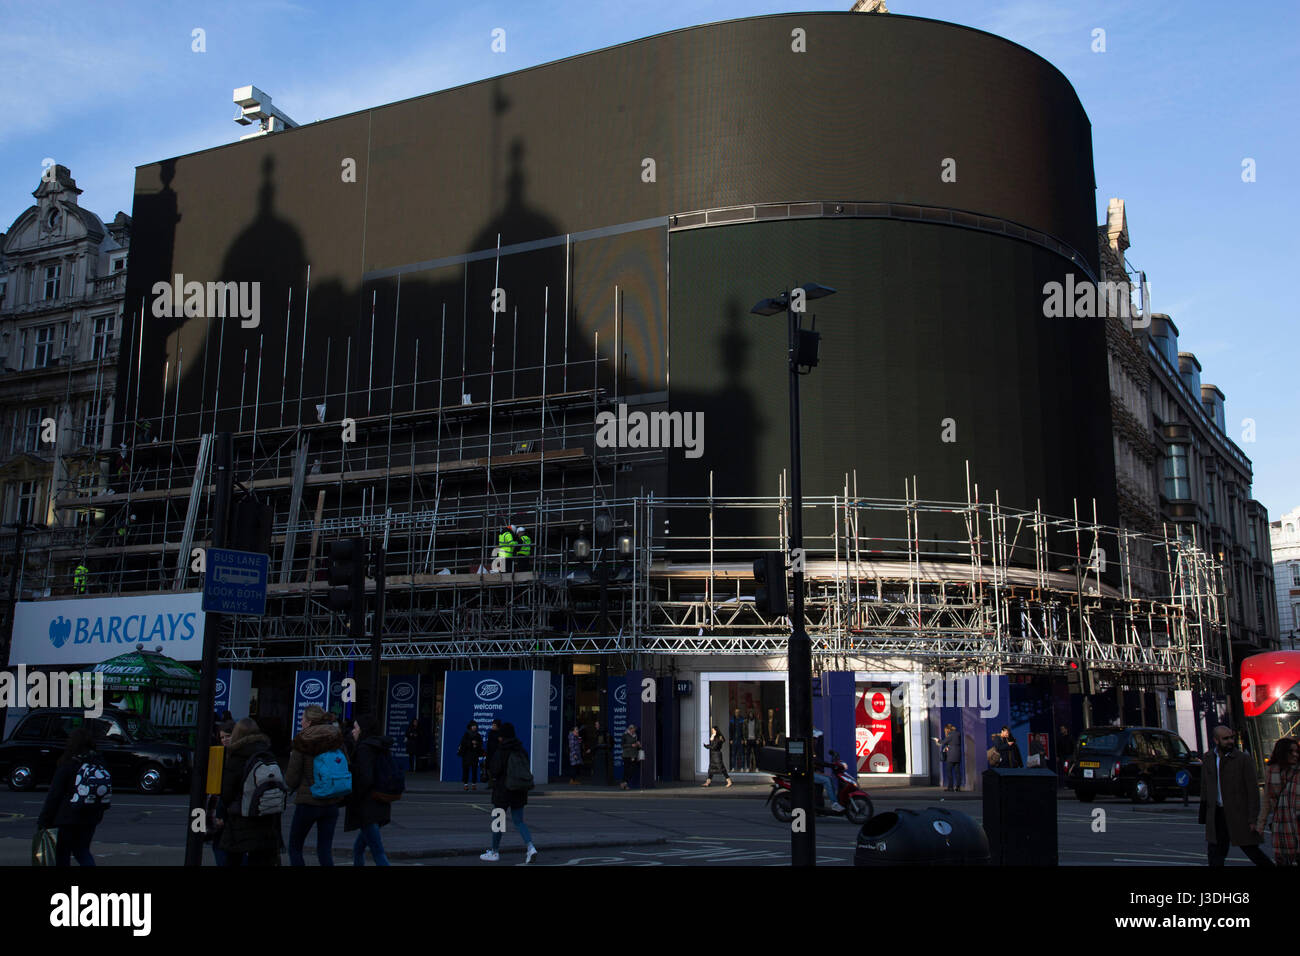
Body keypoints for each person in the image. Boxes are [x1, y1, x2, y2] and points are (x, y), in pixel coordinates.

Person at [1199, 725, 1272, 866]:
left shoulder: (1242, 759)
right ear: (1216, 740)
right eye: (1225, 738)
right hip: (1217, 814)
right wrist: (1204, 816)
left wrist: (1252, 819)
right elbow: (1205, 787)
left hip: (1238, 814)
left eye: (1231, 737)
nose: (1230, 741)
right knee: (1215, 855)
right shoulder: (1209, 758)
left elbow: (1252, 791)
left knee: (1252, 850)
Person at [285, 705, 348, 867]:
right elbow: (346, 763)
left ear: (310, 722)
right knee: (325, 849)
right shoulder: (336, 738)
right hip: (332, 800)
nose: (300, 722)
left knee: (295, 847)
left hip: (309, 801)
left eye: (303, 720)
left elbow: (291, 778)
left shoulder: (303, 740)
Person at [37, 726, 110, 866]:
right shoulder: (98, 761)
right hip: (91, 815)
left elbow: (54, 795)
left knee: (62, 854)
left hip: (67, 817)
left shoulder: (68, 762)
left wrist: (44, 820)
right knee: (82, 850)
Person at [219, 718, 284, 866]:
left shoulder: (236, 757)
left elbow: (226, 794)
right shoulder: (267, 754)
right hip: (267, 817)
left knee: (232, 858)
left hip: (241, 818)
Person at [479, 722, 538, 863]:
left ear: (502, 737)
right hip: (519, 790)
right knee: (519, 821)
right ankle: (530, 847)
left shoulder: (501, 751)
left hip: (502, 791)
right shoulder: (521, 749)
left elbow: (495, 770)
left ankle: (494, 852)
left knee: (498, 822)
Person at [346, 715, 394, 866]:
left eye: (355, 728)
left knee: (377, 852)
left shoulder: (364, 749)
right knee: (359, 848)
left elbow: (365, 777)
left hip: (367, 807)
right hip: (380, 802)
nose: (353, 732)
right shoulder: (380, 746)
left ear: (363, 730)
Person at [1256, 737, 1299, 866]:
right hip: (1281, 825)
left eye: (1297, 751)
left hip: (1297, 822)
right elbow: (1267, 800)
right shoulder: (1271, 770)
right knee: (1283, 860)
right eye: (1291, 751)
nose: (1295, 754)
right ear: (1282, 752)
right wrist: (1261, 825)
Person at [206, 719, 235, 865]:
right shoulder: (219, 754)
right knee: (218, 844)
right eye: (222, 737)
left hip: (226, 810)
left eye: (227, 736)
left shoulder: (233, 756)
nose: (224, 740)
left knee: (222, 847)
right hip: (218, 807)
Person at [933, 723, 962, 791]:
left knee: (949, 771)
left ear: (947, 729)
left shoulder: (950, 735)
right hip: (958, 754)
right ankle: (958, 787)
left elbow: (943, 742)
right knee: (957, 771)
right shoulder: (958, 733)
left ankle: (950, 787)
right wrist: (949, 746)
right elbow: (954, 743)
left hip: (951, 755)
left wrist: (937, 740)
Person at [458, 720, 484, 791]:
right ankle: (465, 784)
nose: (474, 727)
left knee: (474, 770)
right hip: (466, 755)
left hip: (474, 755)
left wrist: (477, 744)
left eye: (475, 726)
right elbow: (463, 744)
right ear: (470, 727)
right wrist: (471, 743)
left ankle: (474, 784)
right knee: (466, 770)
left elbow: (481, 744)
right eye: (473, 726)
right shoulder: (466, 734)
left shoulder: (478, 735)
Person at [621, 724, 643, 789]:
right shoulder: (625, 735)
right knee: (626, 770)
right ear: (630, 729)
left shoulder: (635, 735)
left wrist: (638, 745)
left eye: (634, 729)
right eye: (633, 729)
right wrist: (631, 745)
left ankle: (624, 783)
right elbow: (622, 745)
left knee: (632, 770)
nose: (634, 730)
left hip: (634, 755)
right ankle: (625, 784)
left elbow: (636, 744)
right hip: (627, 755)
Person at [484, 719, 502, 784]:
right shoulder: (490, 733)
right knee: (489, 768)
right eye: (492, 725)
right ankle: (490, 783)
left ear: (498, 726)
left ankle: (497, 783)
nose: (493, 726)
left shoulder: (501, 734)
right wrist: (486, 753)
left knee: (497, 769)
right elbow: (488, 744)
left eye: (494, 725)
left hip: (497, 754)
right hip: (490, 754)